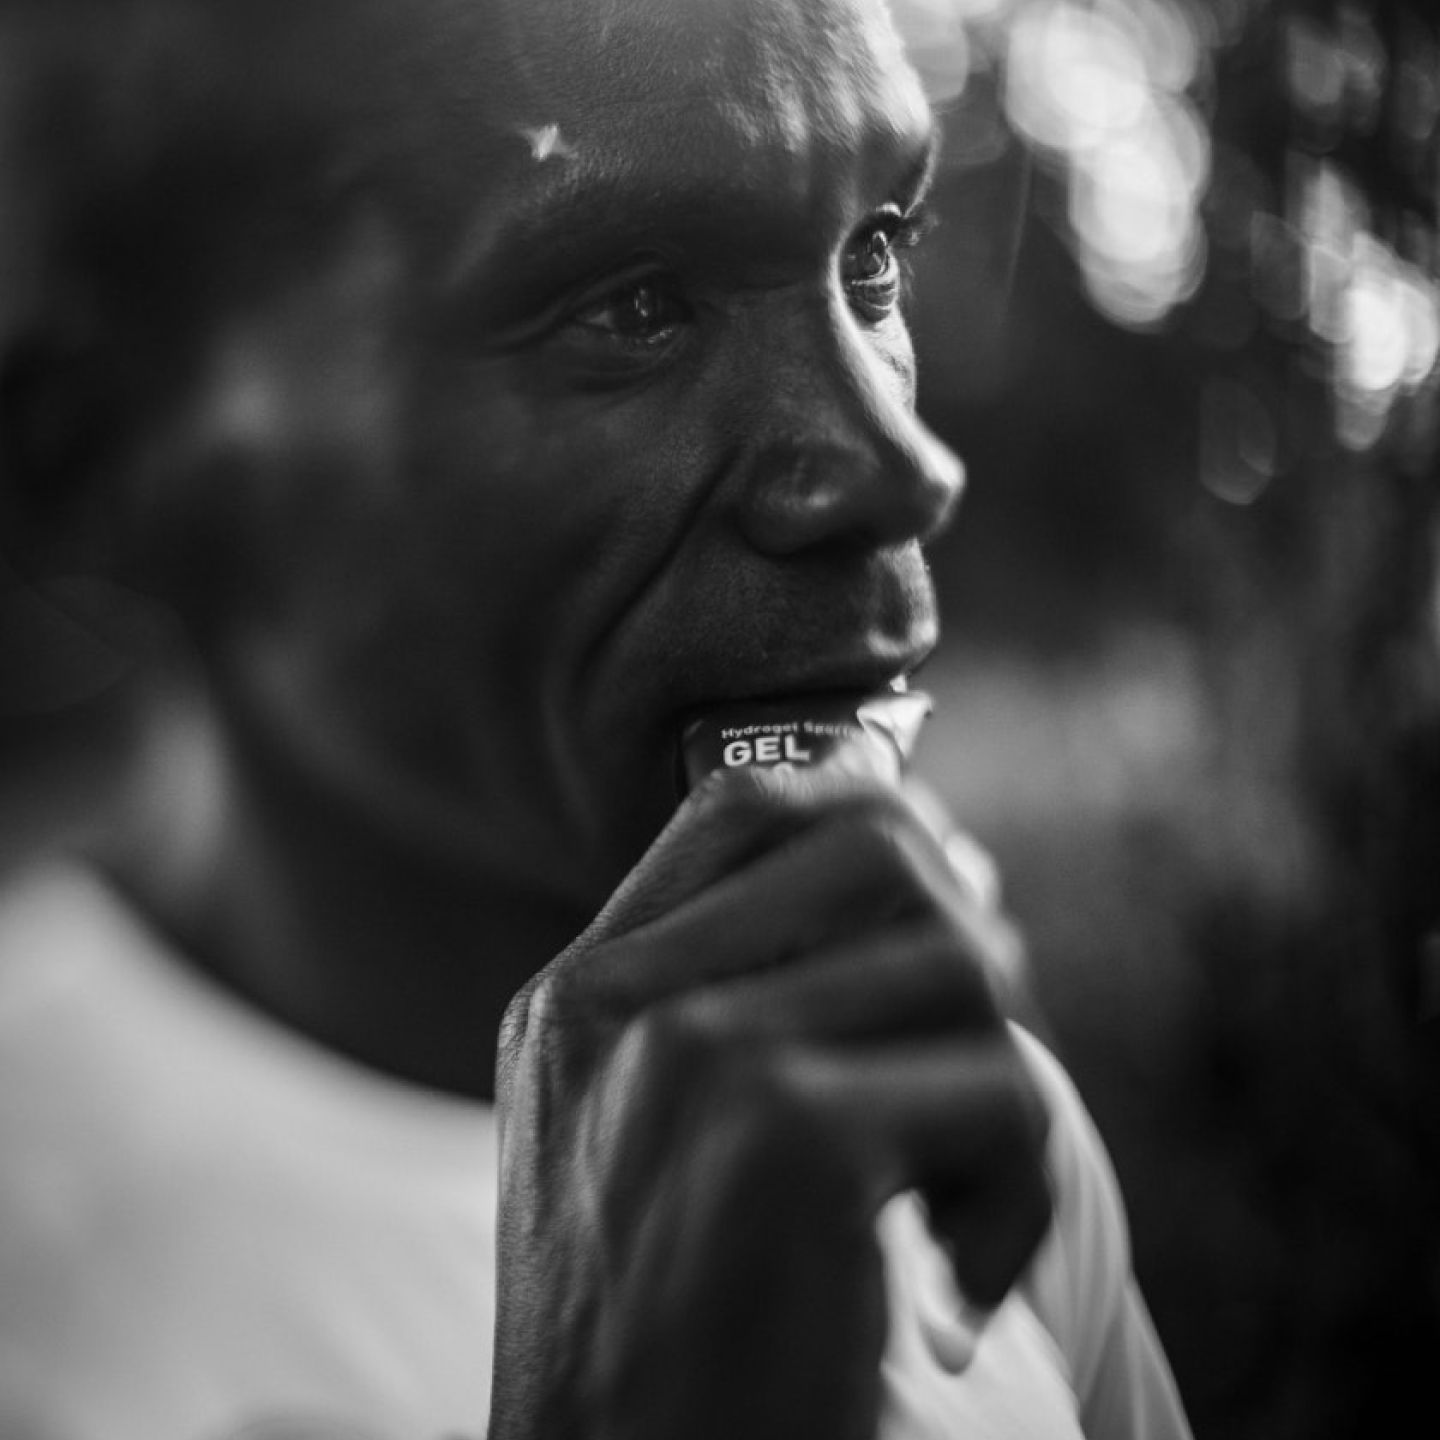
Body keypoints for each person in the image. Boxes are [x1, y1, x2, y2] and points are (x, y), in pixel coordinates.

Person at [0, 1, 1194, 1437]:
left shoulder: (938, 1097)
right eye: (631, 305)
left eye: (873, 251)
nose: (894, 469)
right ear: (111, 475)